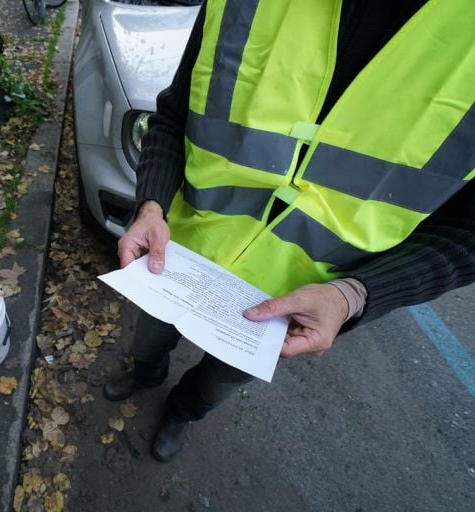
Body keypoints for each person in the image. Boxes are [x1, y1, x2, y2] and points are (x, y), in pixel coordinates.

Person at [103, 0, 475, 462]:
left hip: (288, 303)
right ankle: (145, 375)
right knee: (148, 340)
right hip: (177, 257)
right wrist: (152, 203)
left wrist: (355, 295)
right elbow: (176, 114)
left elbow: (468, 235)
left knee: (217, 384)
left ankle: (180, 413)